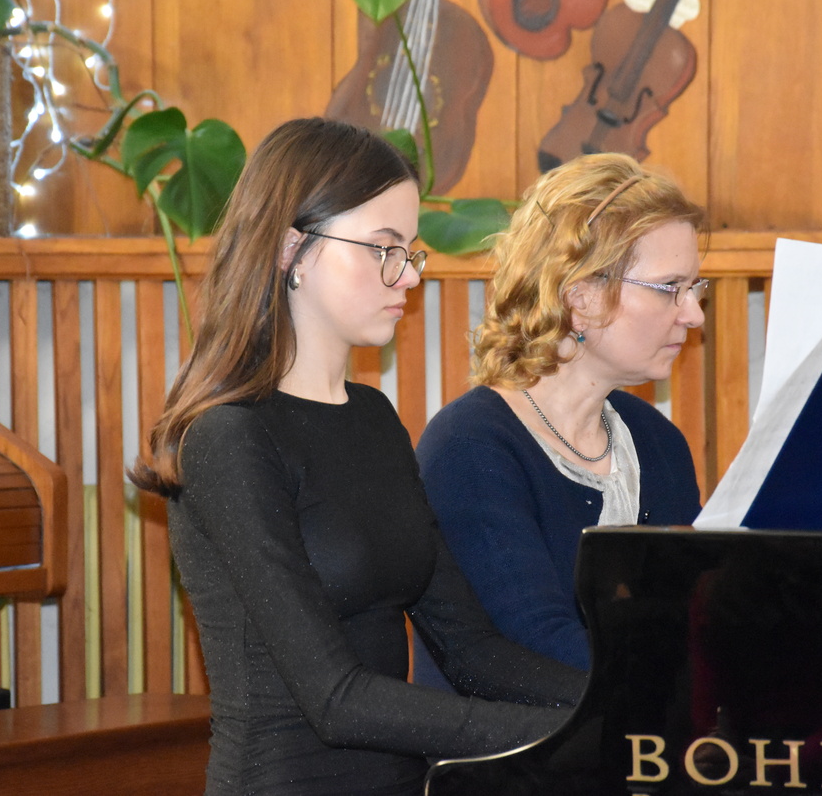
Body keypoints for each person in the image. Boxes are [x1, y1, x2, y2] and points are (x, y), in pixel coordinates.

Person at [130, 117, 585, 796]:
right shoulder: (228, 437)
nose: (407, 276)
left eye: (410, 252)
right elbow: (335, 698)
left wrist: (623, 702)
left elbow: (472, 650)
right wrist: (569, 735)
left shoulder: (373, 417)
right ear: (292, 249)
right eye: (382, 248)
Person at [414, 153, 705, 686]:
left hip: (640, 729)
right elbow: (534, 644)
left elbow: (694, 616)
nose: (693, 314)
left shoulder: (658, 441)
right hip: (522, 738)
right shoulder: (469, 447)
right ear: (580, 297)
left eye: (694, 288)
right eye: (671, 288)